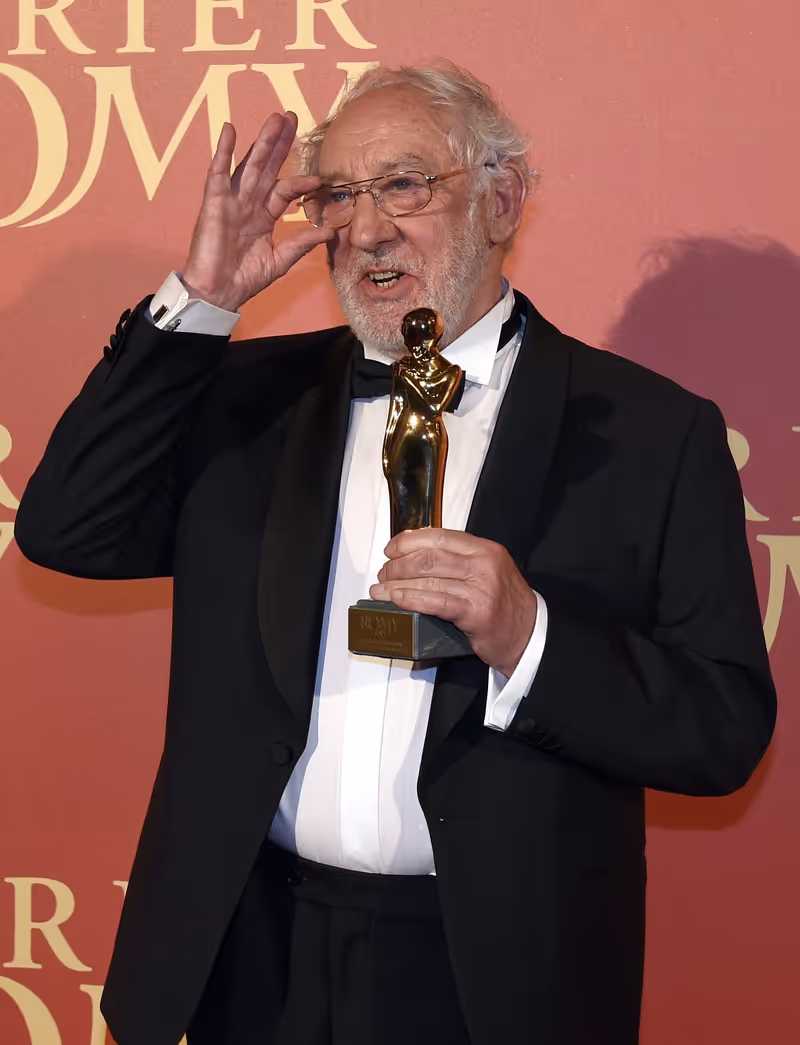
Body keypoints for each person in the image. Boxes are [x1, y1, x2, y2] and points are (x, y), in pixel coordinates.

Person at [15, 61, 776, 1045]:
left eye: (405, 185)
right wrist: (200, 300)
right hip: (252, 952)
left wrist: (529, 637)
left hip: (496, 977)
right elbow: (64, 526)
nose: (367, 228)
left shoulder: (652, 434)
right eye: (338, 194)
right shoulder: (246, 400)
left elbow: (720, 731)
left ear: (500, 200)